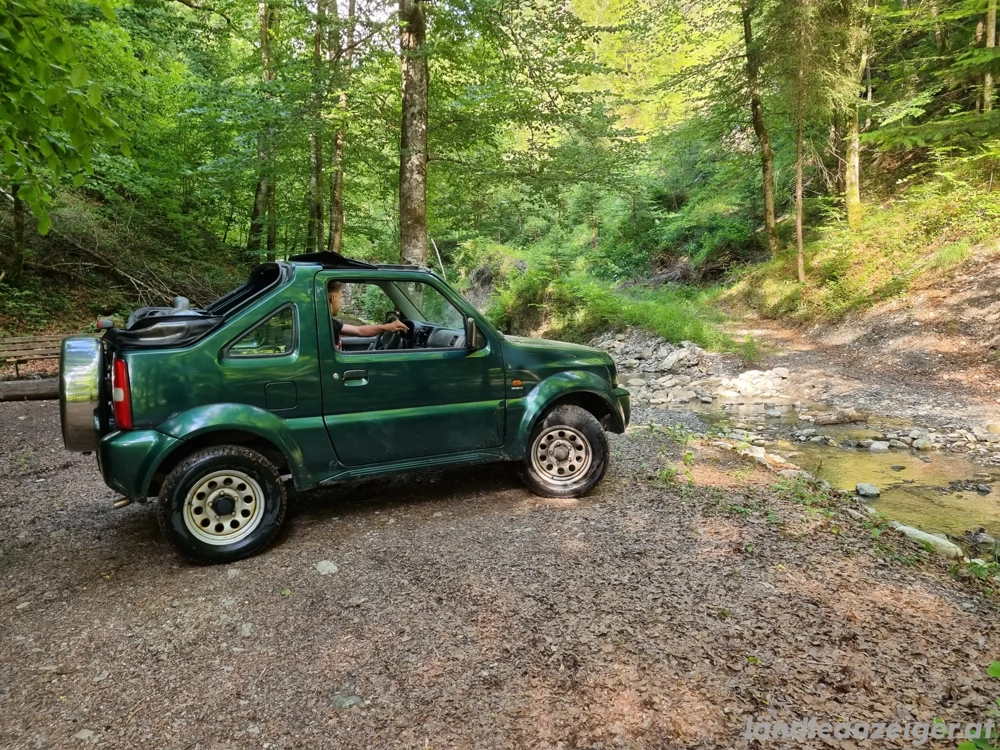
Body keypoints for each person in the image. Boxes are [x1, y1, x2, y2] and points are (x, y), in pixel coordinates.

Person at [327, 281, 408, 349]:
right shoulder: (326, 326)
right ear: (333, 298)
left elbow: (359, 331)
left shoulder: (331, 324)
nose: (340, 303)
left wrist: (387, 327)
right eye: (340, 298)